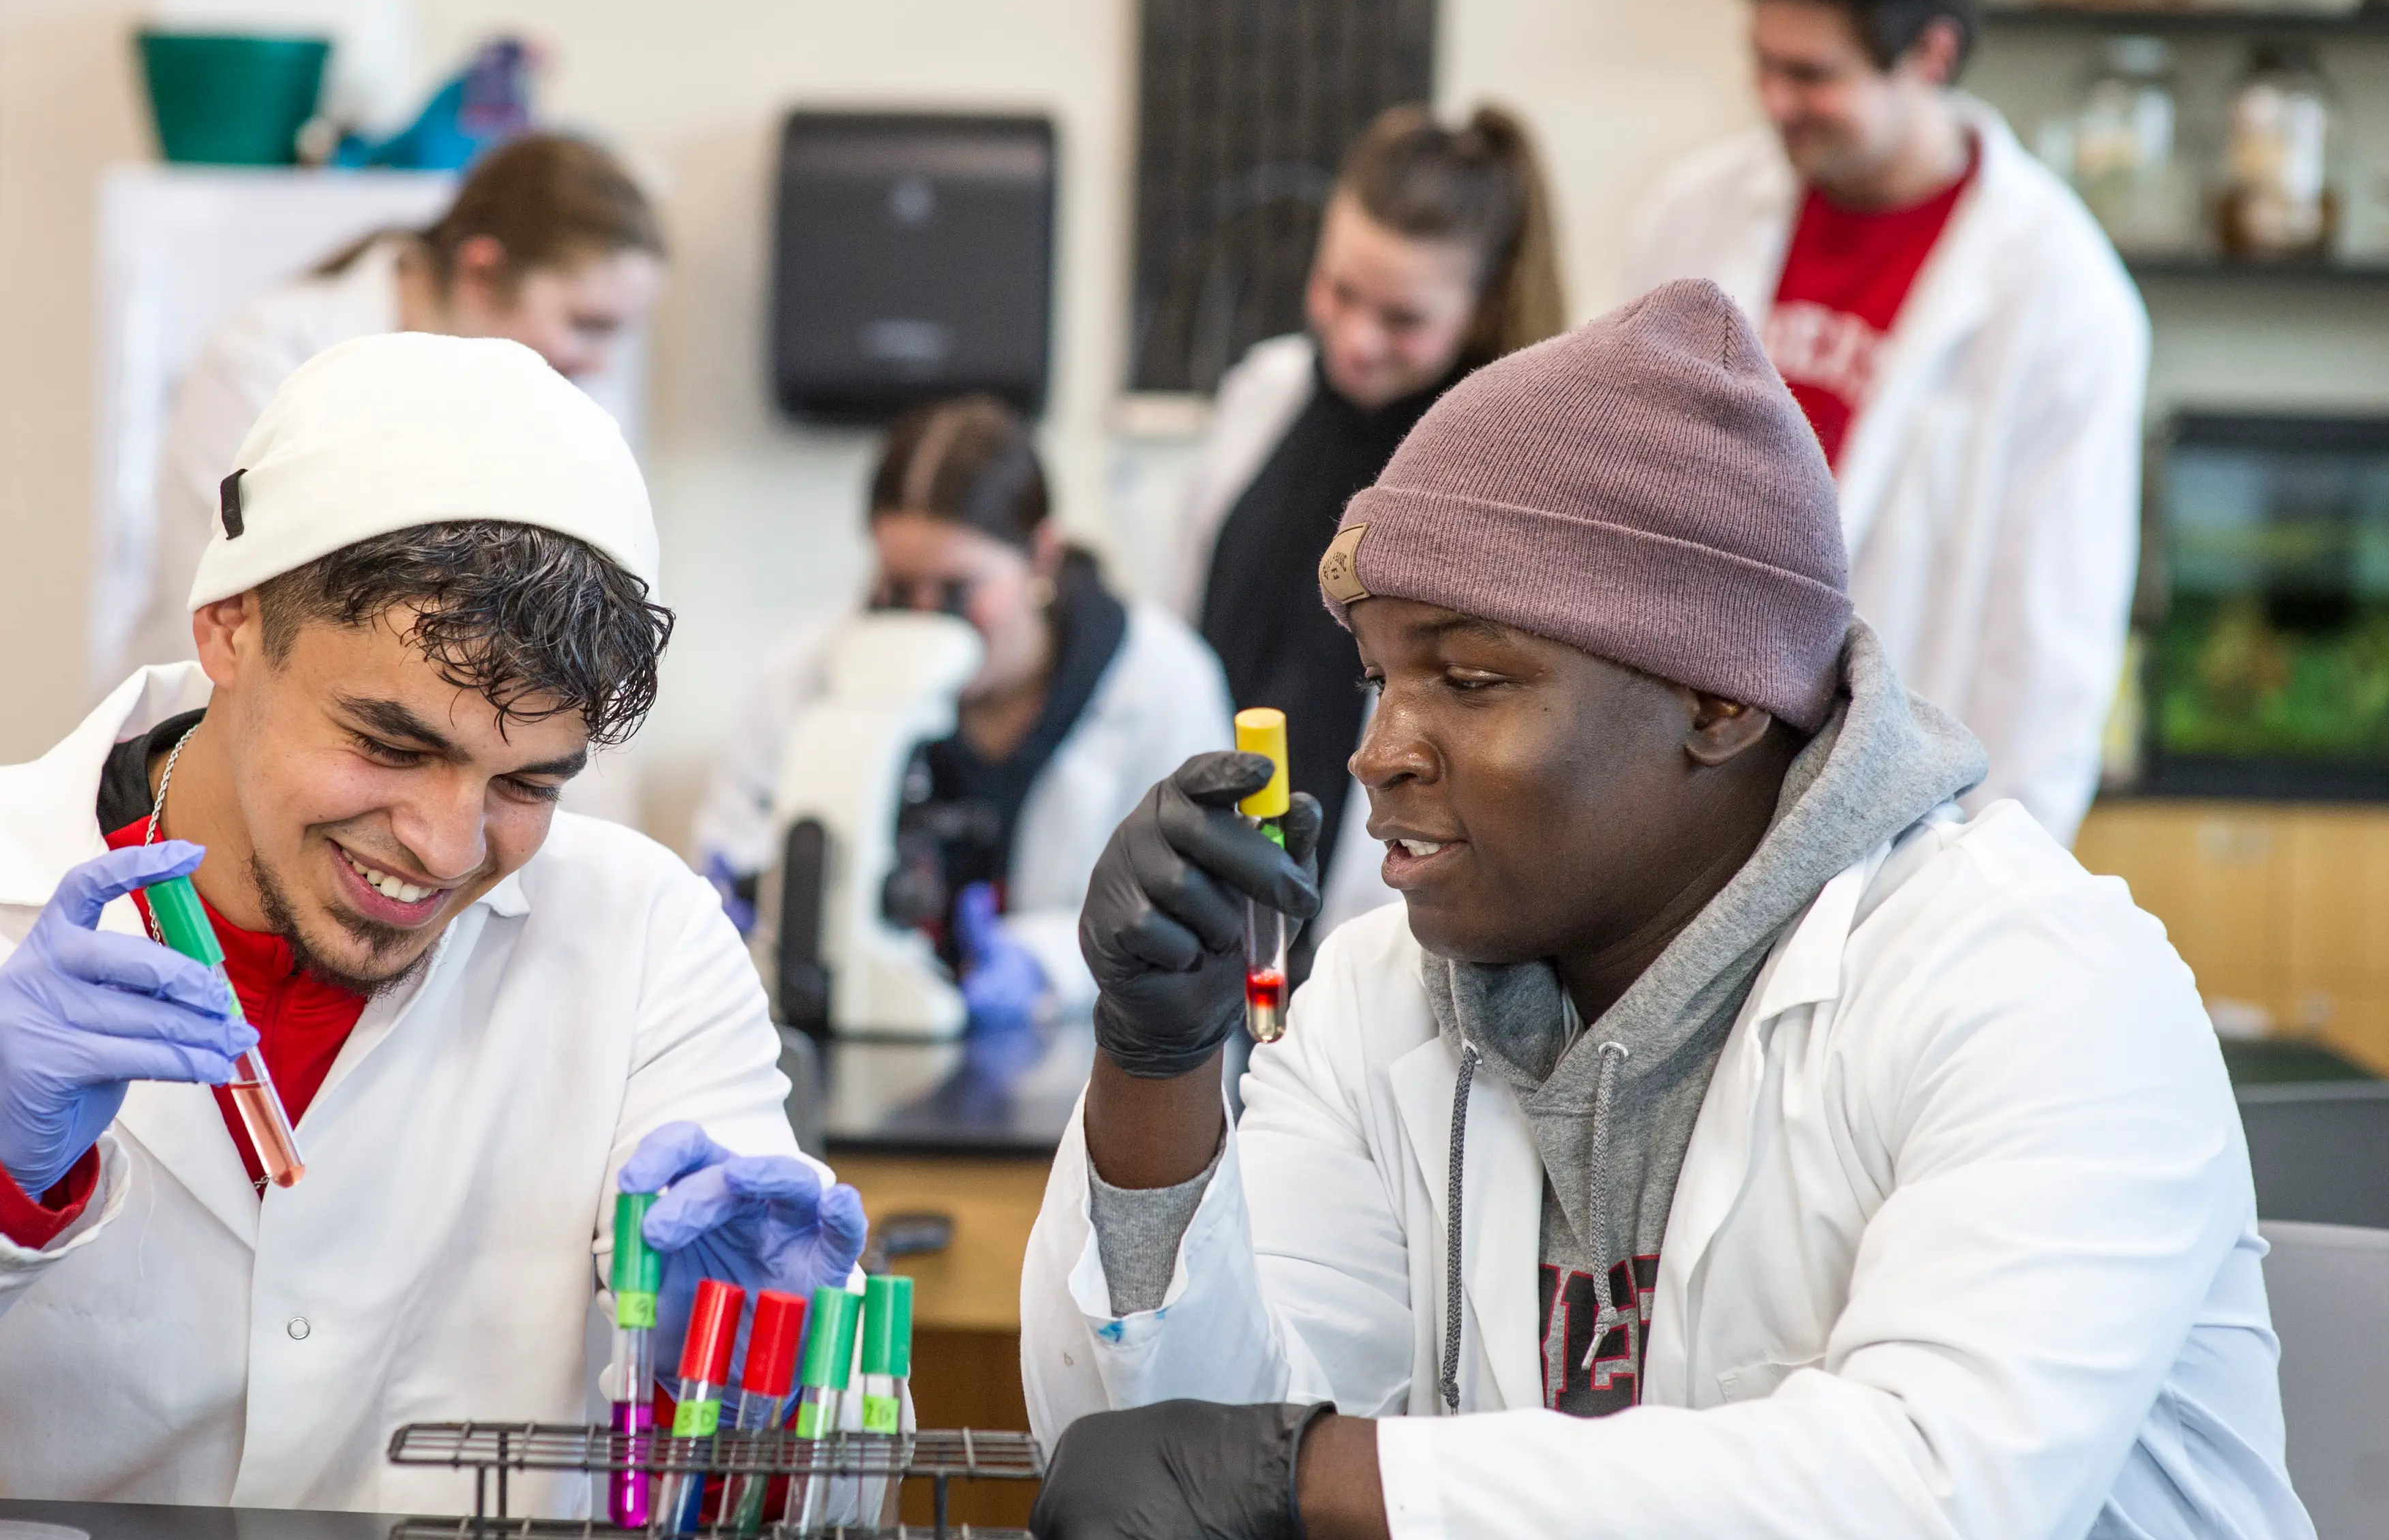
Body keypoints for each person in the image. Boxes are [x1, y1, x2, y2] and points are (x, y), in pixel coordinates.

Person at [1019, 282, 2316, 1540]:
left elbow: (1937, 1521)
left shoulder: (2029, 977)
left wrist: (1319, 1484)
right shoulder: (1383, 996)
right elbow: (1178, 1473)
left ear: (1716, 698)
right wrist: (1155, 1071)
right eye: (1374, 679)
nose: (1377, 751)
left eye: (1466, 680)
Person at [0, 335, 862, 1515]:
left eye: (525, 784)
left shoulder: (646, 949)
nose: (447, 848)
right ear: (232, 626)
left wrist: (759, 1365)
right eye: (386, 744)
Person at [1622, 0, 2145, 846]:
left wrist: (1997, 879)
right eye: (1763, 63)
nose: (1777, 102)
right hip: (1672, 793)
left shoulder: (2061, 297)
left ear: (1931, 54)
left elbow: (2051, 647)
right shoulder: (1694, 214)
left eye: (1813, 75)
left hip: (1895, 826)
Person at [693, 396, 1231, 1025]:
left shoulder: (1161, 679)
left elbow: (1190, 898)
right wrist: (764, 900)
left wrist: (1046, 960)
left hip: (1077, 1048)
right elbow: (736, 841)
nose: (925, 617)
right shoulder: (811, 670)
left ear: (1041, 557)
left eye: (957, 590)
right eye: (898, 587)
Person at [1171, 104, 1562, 935]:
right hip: (1217, 877)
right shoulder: (1263, 392)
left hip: (1376, 906)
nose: (1355, 340)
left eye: (1402, 319)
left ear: (1484, 304)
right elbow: (1184, 642)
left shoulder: (1496, 469)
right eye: (1339, 291)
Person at [119, 132, 667, 678]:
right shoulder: (267, 355)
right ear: (480, 270)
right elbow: (227, 598)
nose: (601, 363)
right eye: (587, 324)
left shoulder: (572, 395)